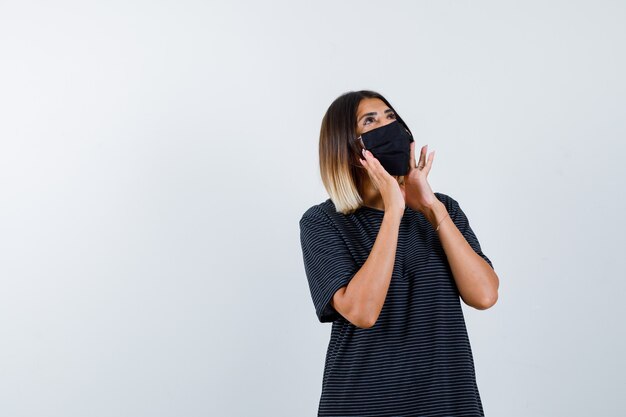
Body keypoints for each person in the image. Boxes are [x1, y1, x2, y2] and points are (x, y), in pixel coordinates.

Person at [299, 90, 500, 417]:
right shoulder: (322, 222)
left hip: (448, 404)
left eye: (391, 117)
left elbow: (485, 294)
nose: (388, 126)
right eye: (370, 121)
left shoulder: (442, 209)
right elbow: (362, 312)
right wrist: (393, 210)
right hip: (363, 404)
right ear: (348, 149)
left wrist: (431, 208)